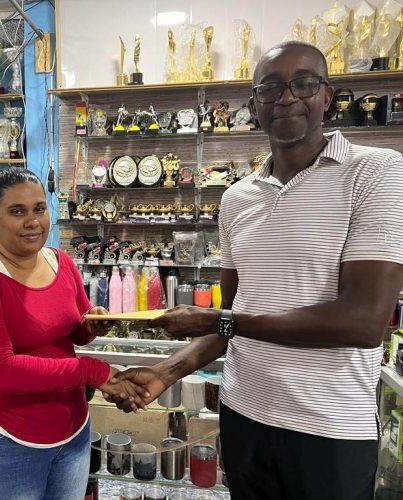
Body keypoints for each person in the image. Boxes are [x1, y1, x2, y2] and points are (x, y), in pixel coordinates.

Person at [105, 41, 403, 500]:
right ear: (253, 106)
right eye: (270, 88)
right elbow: (235, 320)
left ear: (327, 96)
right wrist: (166, 372)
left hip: (329, 426)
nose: (286, 98)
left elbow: (363, 323)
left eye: (303, 84)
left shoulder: (377, 173)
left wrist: (222, 320)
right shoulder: (237, 198)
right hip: (243, 414)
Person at [0, 167, 147, 500]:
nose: (33, 221)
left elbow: (75, 334)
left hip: (73, 434)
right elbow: (0, 373)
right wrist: (94, 372)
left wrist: (91, 323)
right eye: (17, 211)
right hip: (5, 441)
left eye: (39, 208)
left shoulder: (59, 260)